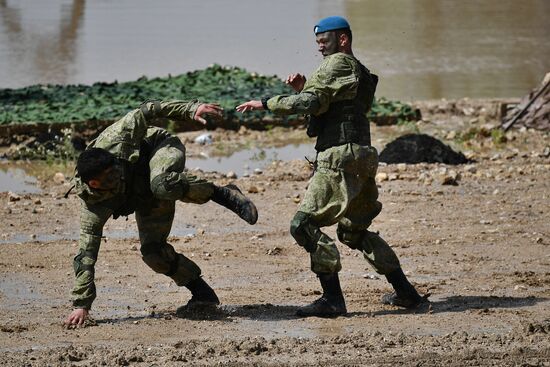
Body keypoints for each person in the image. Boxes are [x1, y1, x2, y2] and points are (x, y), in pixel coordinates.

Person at [237, 16, 425, 317]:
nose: (320, 46)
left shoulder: (337, 64)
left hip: (340, 157)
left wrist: (266, 102)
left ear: (343, 40)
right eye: (318, 42)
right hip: (362, 156)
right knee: (354, 232)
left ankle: (332, 300)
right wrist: (304, 89)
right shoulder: (359, 71)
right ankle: (407, 294)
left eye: (325, 40)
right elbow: (328, 110)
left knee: (303, 225)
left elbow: (311, 104)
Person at [64, 100, 258, 326]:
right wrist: (81, 305)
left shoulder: (116, 137)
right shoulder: (93, 209)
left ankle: (222, 194)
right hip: (145, 194)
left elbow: (149, 109)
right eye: (110, 177)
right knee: (153, 254)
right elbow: (86, 256)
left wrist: (189, 109)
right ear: (95, 184)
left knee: (162, 184)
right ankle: (202, 294)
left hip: (160, 147)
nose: (118, 176)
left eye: (117, 169)